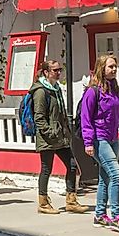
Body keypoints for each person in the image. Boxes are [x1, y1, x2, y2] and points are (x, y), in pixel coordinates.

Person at [81, 54, 119, 233]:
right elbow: (86, 118)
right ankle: (116, 216)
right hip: (99, 139)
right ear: (101, 68)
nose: (114, 70)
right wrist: (88, 142)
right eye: (110, 66)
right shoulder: (93, 91)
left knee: (105, 178)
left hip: (112, 139)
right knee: (116, 174)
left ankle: (99, 214)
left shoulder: (115, 91)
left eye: (115, 67)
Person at [31, 59, 88, 214]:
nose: (58, 73)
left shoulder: (55, 88)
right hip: (48, 137)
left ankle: (71, 200)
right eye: (55, 70)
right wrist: (50, 132)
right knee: (46, 169)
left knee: (72, 166)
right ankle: (43, 203)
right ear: (46, 72)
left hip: (61, 136)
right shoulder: (41, 91)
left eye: (59, 70)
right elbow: (39, 117)